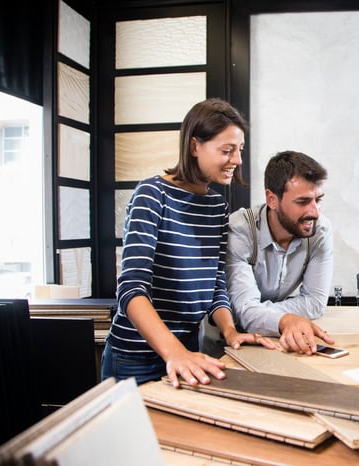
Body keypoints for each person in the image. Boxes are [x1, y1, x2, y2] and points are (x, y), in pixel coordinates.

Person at [101, 97, 274, 388]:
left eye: (240, 150)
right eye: (227, 150)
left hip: (187, 353)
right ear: (195, 146)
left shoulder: (217, 207)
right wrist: (174, 352)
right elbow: (131, 288)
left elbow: (215, 283)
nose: (237, 160)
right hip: (135, 358)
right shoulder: (152, 194)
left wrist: (230, 331)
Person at [202, 150, 335, 356]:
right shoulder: (240, 231)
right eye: (302, 202)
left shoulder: (320, 231)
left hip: (277, 340)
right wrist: (284, 320)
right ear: (272, 199)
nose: (315, 212)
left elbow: (315, 303)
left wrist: (269, 317)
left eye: (318, 200)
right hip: (227, 343)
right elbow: (244, 312)